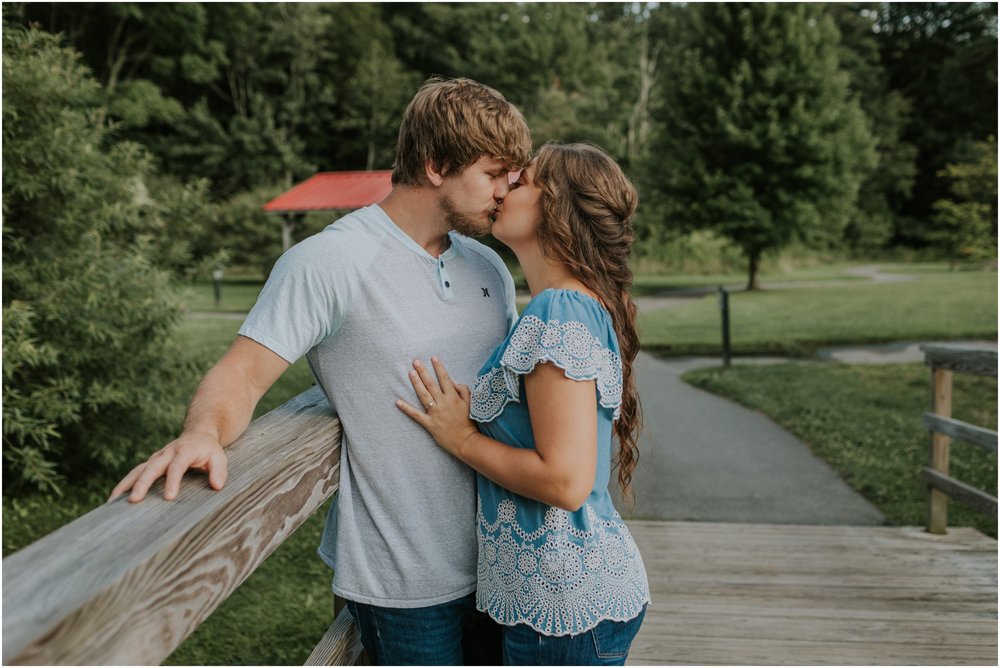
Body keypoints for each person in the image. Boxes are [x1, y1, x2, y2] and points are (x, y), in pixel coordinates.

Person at [109, 77, 532, 666]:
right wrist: (201, 434)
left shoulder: (487, 262)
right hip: (404, 582)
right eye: (494, 173)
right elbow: (243, 373)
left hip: (506, 564)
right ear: (436, 165)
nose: (506, 191)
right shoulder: (330, 261)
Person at [396, 142, 651, 665]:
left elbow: (566, 481)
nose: (506, 186)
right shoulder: (571, 305)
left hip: (564, 602)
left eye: (524, 180)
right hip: (556, 596)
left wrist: (462, 438)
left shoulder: (561, 310)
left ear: (557, 207)